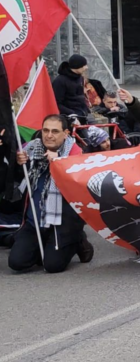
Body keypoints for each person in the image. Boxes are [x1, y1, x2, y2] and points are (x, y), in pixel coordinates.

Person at [9, 115, 92, 273]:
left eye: (55, 131)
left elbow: (82, 186)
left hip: (62, 222)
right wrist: (20, 165)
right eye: (45, 130)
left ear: (66, 133)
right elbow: (19, 183)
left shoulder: (76, 153)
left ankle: (79, 240)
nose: (48, 135)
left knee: (52, 266)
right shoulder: (30, 148)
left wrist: (61, 162)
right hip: (35, 221)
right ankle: (44, 246)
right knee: (17, 263)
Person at [52, 54, 90, 120]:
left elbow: (81, 97)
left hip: (83, 114)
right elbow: (56, 102)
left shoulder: (80, 78)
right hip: (68, 117)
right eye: (84, 65)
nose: (86, 67)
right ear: (77, 66)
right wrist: (71, 114)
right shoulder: (60, 81)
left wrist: (86, 110)